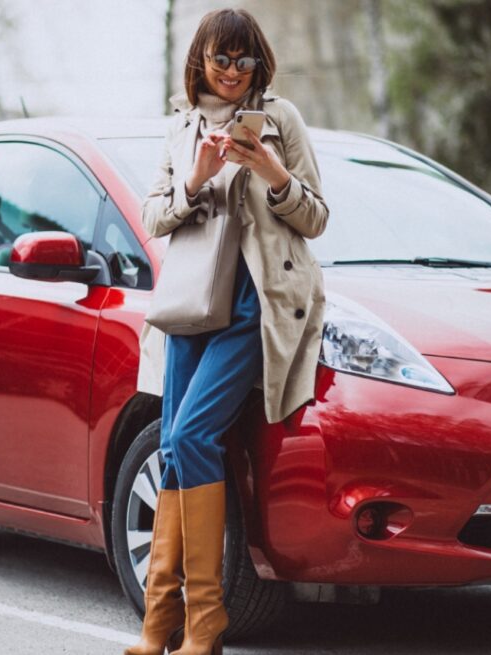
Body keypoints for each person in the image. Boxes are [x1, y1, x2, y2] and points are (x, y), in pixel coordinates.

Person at [129, 8, 328, 655]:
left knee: (189, 434)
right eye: (222, 60)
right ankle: (161, 621)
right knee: (174, 451)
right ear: (201, 62)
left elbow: (317, 216)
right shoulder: (182, 128)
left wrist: (272, 172)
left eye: (244, 60)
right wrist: (197, 180)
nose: (234, 72)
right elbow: (153, 215)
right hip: (190, 305)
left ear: (258, 62)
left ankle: (205, 618)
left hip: (252, 306)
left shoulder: (283, 121)